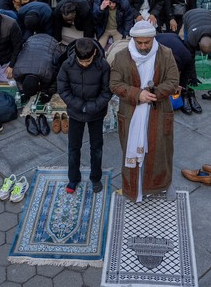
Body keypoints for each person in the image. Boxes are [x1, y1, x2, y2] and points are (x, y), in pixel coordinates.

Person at [109, 21, 179, 202]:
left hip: (159, 111)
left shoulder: (166, 54)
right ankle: (133, 189)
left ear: (153, 38)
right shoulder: (121, 57)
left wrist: (152, 94)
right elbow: (114, 84)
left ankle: (163, 185)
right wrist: (137, 94)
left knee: (161, 150)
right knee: (130, 151)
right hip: (131, 113)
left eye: (146, 43)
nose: (143, 46)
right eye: (139, 43)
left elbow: (172, 81)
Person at [57, 38, 112, 194]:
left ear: (94, 53)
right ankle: (73, 178)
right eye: (81, 61)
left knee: (96, 147)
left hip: (96, 113)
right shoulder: (67, 65)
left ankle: (96, 178)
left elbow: (107, 91)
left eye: (87, 61)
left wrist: (93, 107)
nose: (84, 64)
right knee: (73, 147)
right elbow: (63, 89)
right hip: (75, 112)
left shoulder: (103, 66)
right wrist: (79, 105)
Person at [183, 8, 211, 85]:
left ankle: (210, 56)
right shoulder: (191, 38)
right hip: (189, 15)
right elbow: (190, 58)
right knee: (186, 49)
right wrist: (192, 77)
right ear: (198, 44)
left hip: (210, 15)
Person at [13, 33, 63, 102]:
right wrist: (22, 92)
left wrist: (48, 93)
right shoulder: (17, 72)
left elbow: (57, 78)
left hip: (51, 42)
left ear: (39, 83)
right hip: (32, 40)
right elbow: (18, 81)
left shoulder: (48, 72)